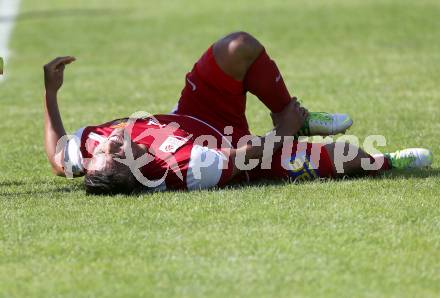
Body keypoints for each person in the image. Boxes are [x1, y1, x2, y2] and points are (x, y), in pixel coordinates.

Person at [43, 32, 433, 194]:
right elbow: (248, 155)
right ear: (135, 167)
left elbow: (58, 157)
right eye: (111, 153)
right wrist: (284, 130)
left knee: (237, 46)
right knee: (347, 159)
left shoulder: (94, 150)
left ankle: (297, 114)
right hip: (247, 155)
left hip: (197, 114)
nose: (105, 142)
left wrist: (50, 93)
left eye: (96, 155)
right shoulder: (190, 167)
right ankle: (389, 163)